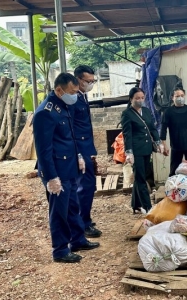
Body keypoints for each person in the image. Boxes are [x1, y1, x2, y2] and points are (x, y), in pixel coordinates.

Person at [33, 73, 100, 263]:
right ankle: (60, 250)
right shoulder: (45, 113)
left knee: (73, 206)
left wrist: (78, 155)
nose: (75, 95)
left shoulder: (64, 106)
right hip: (56, 171)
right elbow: (43, 150)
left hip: (69, 166)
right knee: (59, 211)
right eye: (72, 92)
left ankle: (77, 240)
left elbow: (70, 136)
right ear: (59, 90)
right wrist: (51, 177)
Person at [121, 87, 164, 214]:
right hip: (136, 150)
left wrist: (158, 142)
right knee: (140, 179)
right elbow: (127, 134)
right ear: (131, 99)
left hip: (146, 149)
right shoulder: (127, 114)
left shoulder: (145, 111)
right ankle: (147, 207)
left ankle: (136, 204)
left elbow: (152, 128)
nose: (140, 100)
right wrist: (129, 152)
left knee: (142, 176)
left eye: (142, 98)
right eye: (137, 98)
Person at [72, 65, 101, 238]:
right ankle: (83, 224)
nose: (91, 84)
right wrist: (78, 154)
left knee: (88, 186)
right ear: (78, 80)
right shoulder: (74, 99)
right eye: (88, 81)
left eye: (93, 81)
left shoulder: (82, 96)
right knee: (85, 186)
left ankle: (84, 220)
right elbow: (72, 129)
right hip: (79, 149)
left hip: (86, 147)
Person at [160, 87, 187, 177]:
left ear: (184, 96)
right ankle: (173, 188)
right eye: (177, 96)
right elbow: (163, 129)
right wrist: (164, 145)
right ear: (172, 97)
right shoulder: (168, 112)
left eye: (182, 95)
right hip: (176, 146)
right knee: (174, 171)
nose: (180, 98)